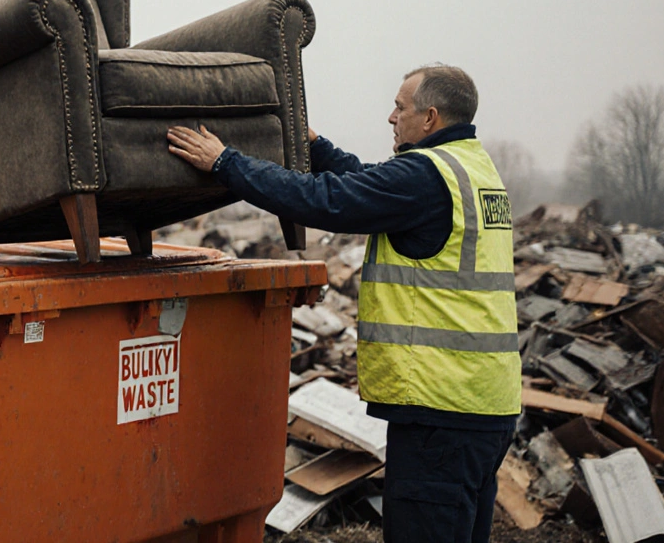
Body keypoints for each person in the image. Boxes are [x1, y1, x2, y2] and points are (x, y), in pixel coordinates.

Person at [166, 64, 519, 543]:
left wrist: (227, 163)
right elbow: (369, 183)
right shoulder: (471, 168)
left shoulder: (425, 176)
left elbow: (326, 201)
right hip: (484, 404)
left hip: (441, 410)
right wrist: (315, 146)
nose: (390, 117)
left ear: (430, 117)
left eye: (400, 107)